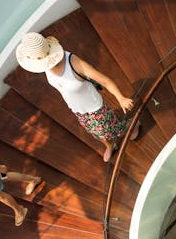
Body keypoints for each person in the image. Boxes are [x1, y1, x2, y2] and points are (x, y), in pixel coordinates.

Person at [16, 32, 139, 162]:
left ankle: (132, 124)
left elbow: (105, 81)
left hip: (94, 106)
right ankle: (110, 145)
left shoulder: (74, 63)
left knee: (110, 130)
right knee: (93, 131)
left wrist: (120, 98)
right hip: (77, 108)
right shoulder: (46, 66)